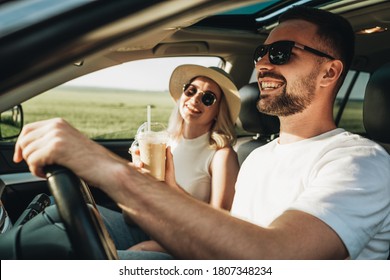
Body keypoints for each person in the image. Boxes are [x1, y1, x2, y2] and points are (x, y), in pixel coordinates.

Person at [13, 6, 390, 259]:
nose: (261, 64)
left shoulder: (361, 162)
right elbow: (227, 237)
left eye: (281, 54)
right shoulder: (260, 156)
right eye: (261, 53)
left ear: (329, 72)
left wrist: (111, 172)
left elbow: (275, 260)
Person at [99, 65, 241, 257]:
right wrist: (132, 184)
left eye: (208, 98)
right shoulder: (163, 142)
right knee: (75, 216)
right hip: (145, 228)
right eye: (191, 91)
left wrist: (171, 187)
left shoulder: (220, 155)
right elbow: (131, 218)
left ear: (218, 110)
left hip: (184, 246)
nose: (195, 99)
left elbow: (219, 227)